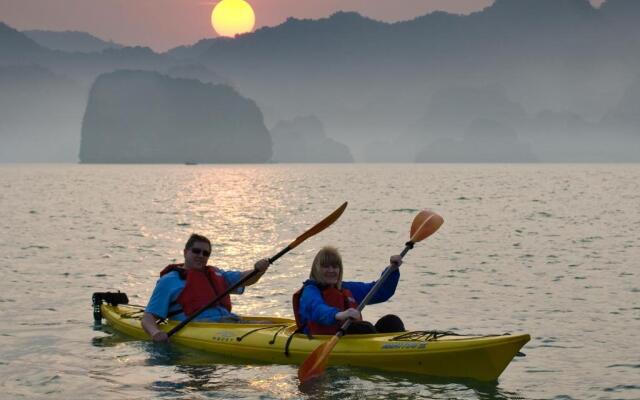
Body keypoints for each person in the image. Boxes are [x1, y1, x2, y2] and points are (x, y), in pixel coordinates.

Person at [141, 233, 270, 342]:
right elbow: (148, 317)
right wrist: (156, 333)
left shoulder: (217, 274)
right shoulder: (169, 281)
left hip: (230, 322)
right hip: (202, 329)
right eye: (196, 251)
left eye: (206, 253)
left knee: (269, 325)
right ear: (185, 252)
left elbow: (245, 278)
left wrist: (258, 270)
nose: (201, 255)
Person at [292, 246, 405, 335]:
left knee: (392, 321)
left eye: (335, 266)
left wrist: (392, 270)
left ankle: (406, 348)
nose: (331, 270)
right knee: (362, 328)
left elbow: (379, 291)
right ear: (316, 269)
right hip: (320, 338)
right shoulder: (310, 292)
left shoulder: (346, 288)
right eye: (326, 266)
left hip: (349, 335)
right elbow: (317, 309)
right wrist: (339, 315)